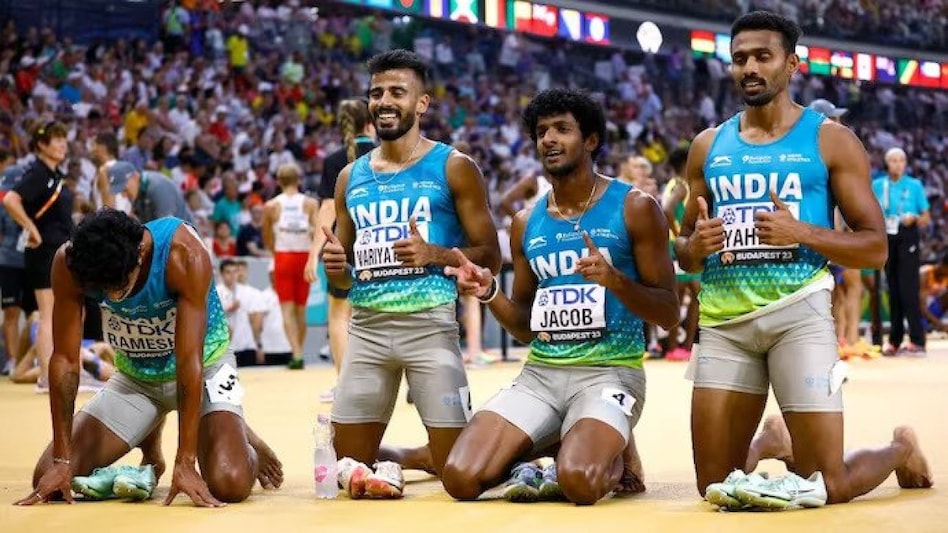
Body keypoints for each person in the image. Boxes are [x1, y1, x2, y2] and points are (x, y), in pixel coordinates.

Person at [676, 11, 932, 510]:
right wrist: (694, 246)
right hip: (725, 323)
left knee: (825, 486)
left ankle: (901, 447)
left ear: (792, 64)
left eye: (762, 56)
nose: (749, 67)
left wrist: (800, 231)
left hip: (798, 314)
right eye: (740, 59)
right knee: (714, 485)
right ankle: (774, 437)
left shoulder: (830, 140)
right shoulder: (708, 145)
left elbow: (876, 247)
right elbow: (684, 245)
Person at [439, 88, 679, 505]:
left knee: (580, 482)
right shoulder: (525, 222)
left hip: (611, 373)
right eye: (541, 131)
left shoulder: (635, 207)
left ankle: (611, 448)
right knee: (460, 478)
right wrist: (489, 291)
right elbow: (525, 328)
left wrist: (615, 280)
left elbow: (670, 314)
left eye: (562, 129)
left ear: (590, 141)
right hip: (542, 378)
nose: (548, 139)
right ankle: (570, 436)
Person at [321, 49, 501, 499]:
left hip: (430, 328)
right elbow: (343, 282)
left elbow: (491, 255)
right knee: (349, 465)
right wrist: (337, 268)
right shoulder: (350, 178)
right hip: (367, 330)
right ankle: (404, 456)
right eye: (376, 92)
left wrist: (435, 253)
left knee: (461, 470)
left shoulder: (453, 167)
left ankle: (422, 456)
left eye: (397, 92)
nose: (384, 101)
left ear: (422, 103)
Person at [15, 210, 282, 507]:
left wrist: (186, 462)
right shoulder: (71, 261)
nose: (113, 297)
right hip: (136, 379)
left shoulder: (184, 253)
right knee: (46, 477)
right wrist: (63, 460)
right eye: (102, 290)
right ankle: (157, 431)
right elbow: (64, 360)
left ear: (140, 254)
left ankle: (244, 440)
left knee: (229, 482)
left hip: (206, 369)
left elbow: (188, 361)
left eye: (119, 285)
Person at [305, 98, 376, 396]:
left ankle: (345, 385)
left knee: (339, 317)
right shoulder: (387, 152)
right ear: (370, 122)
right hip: (382, 242)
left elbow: (327, 210)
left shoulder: (335, 159)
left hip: (345, 247)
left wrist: (313, 254)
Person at [2, 120, 74, 391]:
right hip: (43, 252)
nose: (62, 144)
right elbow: (10, 199)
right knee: (47, 314)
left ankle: (52, 373)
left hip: (59, 251)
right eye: (56, 140)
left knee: (56, 315)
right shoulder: (37, 173)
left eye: (64, 139)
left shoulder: (55, 175)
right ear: (41, 145)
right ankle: (46, 377)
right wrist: (31, 228)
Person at [871, 147, 931, 356]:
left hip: (907, 236)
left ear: (905, 164)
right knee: (893, 290)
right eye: (893, 160)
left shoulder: (914, 185)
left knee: (908, 289)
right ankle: (894, 340)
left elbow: (926, 217)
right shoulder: (878, 185)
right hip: (887, 237)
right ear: (887, 164)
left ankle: (917, 339)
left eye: (901, 160)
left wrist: (914, 218)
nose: (897, 164)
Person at [262, 163, 318, 369]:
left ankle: (297, 353)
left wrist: (273, 251)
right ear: (299, 180)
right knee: (301, 310)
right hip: (303, 257)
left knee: (287, 310)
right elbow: (316, 231)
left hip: (283, 256)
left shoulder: (271, 206)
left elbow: (266, 235)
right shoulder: (311, 203)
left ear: (278, 182)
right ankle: (298, 352)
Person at [661, 146, 700, 361]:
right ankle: (678, 347)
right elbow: (667, 209)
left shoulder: (674, 183)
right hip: (676, 247)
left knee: (690, 296)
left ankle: (683, 346)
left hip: (673, 247)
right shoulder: (681, 187)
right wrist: (678, 236)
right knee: (686, 296)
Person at [105, 161, 194, 224]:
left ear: (135, 177)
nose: (124, 196)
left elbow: (166, 229)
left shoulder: (158, 186)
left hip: (187, 244)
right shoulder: (137, 192)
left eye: (125, 190)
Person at [919, 254, 948, 333]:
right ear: (943, 265)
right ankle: (928, 326)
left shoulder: (945, 275)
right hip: (919, 314)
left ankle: (933, 325)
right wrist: (941, 326)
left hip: (934, 311)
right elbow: (922, 308)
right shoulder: (925, 273)